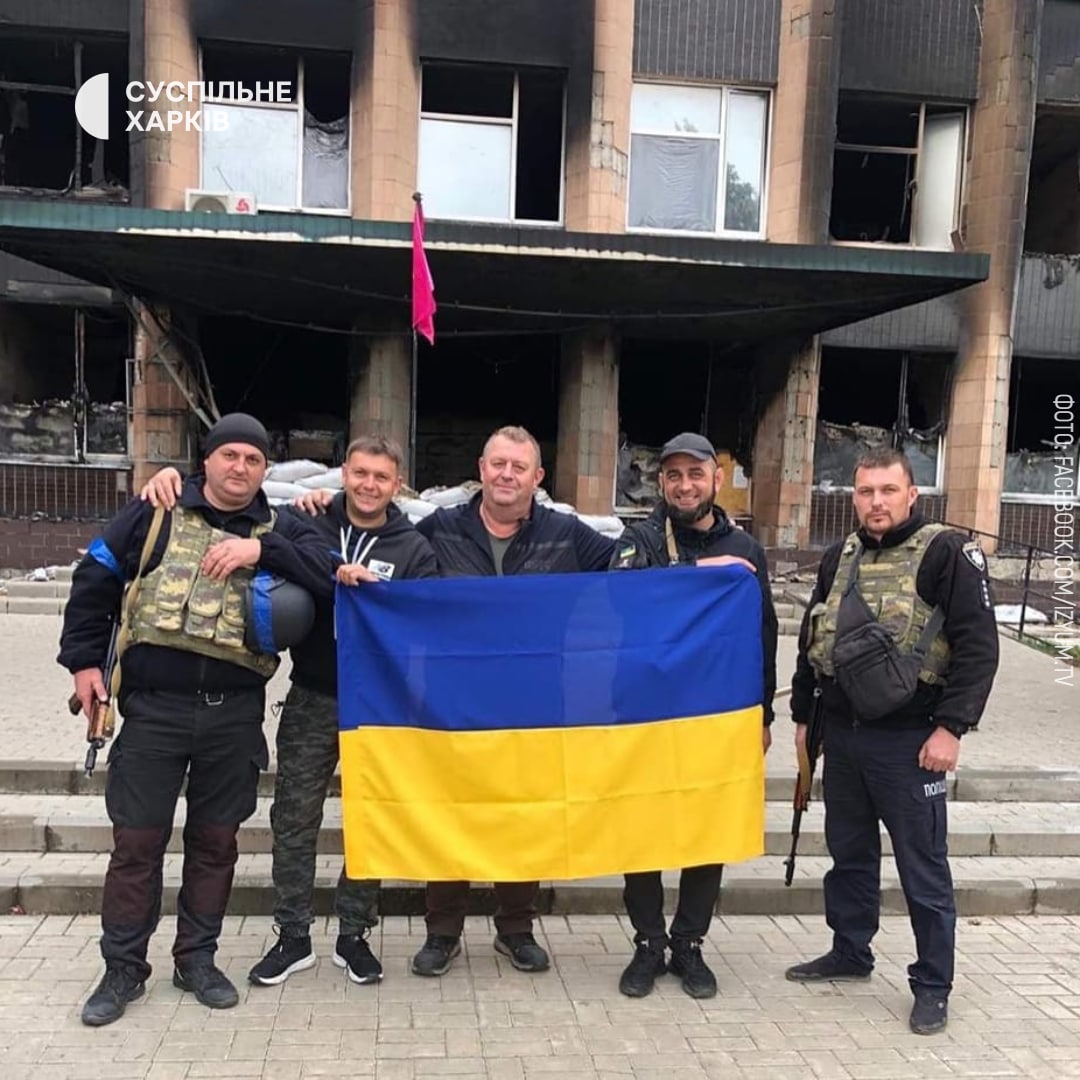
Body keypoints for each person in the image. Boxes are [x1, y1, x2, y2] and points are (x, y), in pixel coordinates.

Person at [59, 413, 336, 1027]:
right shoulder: (155, 511)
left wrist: (263, 549)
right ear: (205, 459)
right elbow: (95, 576)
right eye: (229, 455)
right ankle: (123, 968)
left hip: (233, 716)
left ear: (265, 470)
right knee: (137, 844)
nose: (240, 467)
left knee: (215, 843)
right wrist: (83, 663)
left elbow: (329, 576)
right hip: (153, 711)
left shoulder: (281, 526)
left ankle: (197, 960)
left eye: (253, 459)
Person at [139, 435, 438, 988]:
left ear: (397, 484)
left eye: (381, 477)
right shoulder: (308, 521)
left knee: (370, 819)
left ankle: (354, 935)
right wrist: (170, 477)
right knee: (294, 819)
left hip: (380, 705)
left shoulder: (414, 548)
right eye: (360, 473)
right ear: (343, 474)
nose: (369, 485)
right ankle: (293, 936)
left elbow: (427, 622)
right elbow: (237, 499)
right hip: (313, 695)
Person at [784, 447, 999, 1036]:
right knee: (849, 855)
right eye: (865, 491)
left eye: (887, 490)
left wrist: (951, 728)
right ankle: (850, 951)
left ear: (911, 495)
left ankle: (933, 985)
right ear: (854, 497)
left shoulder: (948, 553)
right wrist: (804, 719)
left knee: (922, 870)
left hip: (911, 743)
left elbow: (979, 648)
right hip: (844, 739)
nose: (875, 502)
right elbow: (812, 643)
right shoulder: (840, 556)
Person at [411, 425, 617, 976]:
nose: (507, 475)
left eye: (518, 467)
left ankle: (516, 930)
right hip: (452, 705)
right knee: (451, 814)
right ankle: (442, 932)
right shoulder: (439, 529)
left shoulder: (566, 534)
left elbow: (632, 567)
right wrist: (322, 509)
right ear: (481, 469)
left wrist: (701, 569)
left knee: (524, 816)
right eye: (498, 464)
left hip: (534, 706)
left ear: (537, 477)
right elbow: (385, 555)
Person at [608, 432, 778, 999]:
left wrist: (763, 715)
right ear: (661, 482)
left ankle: (688, 943)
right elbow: (623, 602)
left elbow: (763, 634)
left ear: (716, 479)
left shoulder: (746, 549)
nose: (685, 486)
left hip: (715, 714)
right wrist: (704, 572)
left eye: (695, 474)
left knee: (707, 829)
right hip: (644, 712)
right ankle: (648, 942)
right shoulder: (638, 539)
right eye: (674, 476)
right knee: (642, 831)